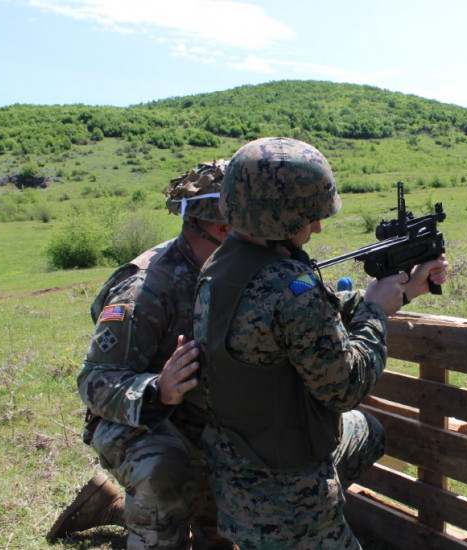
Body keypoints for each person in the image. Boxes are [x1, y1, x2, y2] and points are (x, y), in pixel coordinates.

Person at [193, 137, 449, 549]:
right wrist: (376, 313)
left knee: (368, 432)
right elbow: (346, 386)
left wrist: (393, 293)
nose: (316, 227)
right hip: (283, 495)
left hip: (235, 464)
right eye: (307, 217)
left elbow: (295, 319)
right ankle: (311, 525)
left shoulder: (221, 266)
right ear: (279, 217)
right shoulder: (289, 289)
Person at [48, 160, 235, 550]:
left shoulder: (231, 268)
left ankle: (113, 508)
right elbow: (95, 381)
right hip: (136, 420)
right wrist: (158, 390)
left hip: (201, 415)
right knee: (163, 469)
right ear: (221, 227)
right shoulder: (147, 289)